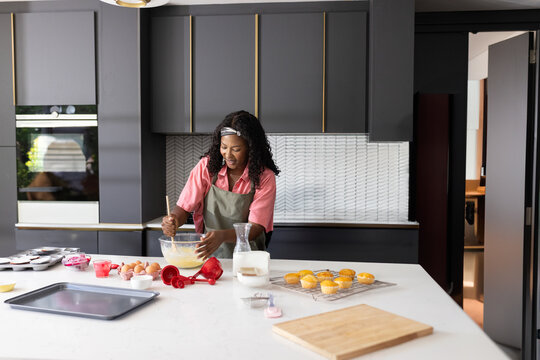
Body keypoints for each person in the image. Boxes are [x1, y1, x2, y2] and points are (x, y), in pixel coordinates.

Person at [161, 110, 280, 260]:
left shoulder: (264, 177)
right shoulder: (206, 167)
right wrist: (174, 220)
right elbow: (184, 208)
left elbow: (255, 228)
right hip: (208, 255)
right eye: (224, 147)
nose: (228, 155)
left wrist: (222, 236)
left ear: (251, 148)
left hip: (248, 258)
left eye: (236, 149)